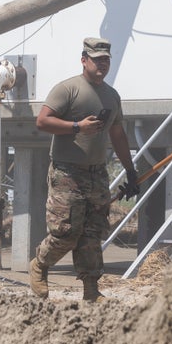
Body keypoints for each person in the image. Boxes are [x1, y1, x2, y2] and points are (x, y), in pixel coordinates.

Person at [30, 37, 140, 302]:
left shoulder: (112, 96)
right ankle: (40, 265)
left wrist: (131, 171)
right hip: (67, 172)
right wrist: (77, 127)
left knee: (93, 233)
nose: (102, 65)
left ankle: (91, 289)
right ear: (84, 60)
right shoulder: (68, 89)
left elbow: (118, 135)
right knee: (66, 232)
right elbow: (43, 121)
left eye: (106, 60)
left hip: (97, 173)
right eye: (97, 59)